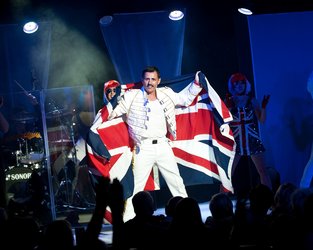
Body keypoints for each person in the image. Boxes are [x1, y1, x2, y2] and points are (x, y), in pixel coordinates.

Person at [107, 66, 203, 222]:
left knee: (176, 182)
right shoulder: (132, 96)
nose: (149, 82)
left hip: (163, 145)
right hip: (142, 148)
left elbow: (184, 99)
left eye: (153, 79)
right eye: (146, 79)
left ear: (158, 81)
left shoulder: (167, 94)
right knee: (137, 187)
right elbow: (114, 112)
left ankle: (188, 217)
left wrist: (196, 84)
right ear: (142, 80)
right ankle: (127, 223)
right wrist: (109, 105)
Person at [225, 72, 272, 192]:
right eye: (237, 84)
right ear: (233, 86)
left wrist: (263, 107)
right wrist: (229, 107)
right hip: (236, 140)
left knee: (262, 171)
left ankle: (269, 199)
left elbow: (261, 120)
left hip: (252, 139)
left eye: (242, 83)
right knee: (227, 173)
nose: (240, 86)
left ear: (246, 84)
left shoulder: (252, 100)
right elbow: (224, 121)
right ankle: (221, 200)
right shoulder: (229, 100)